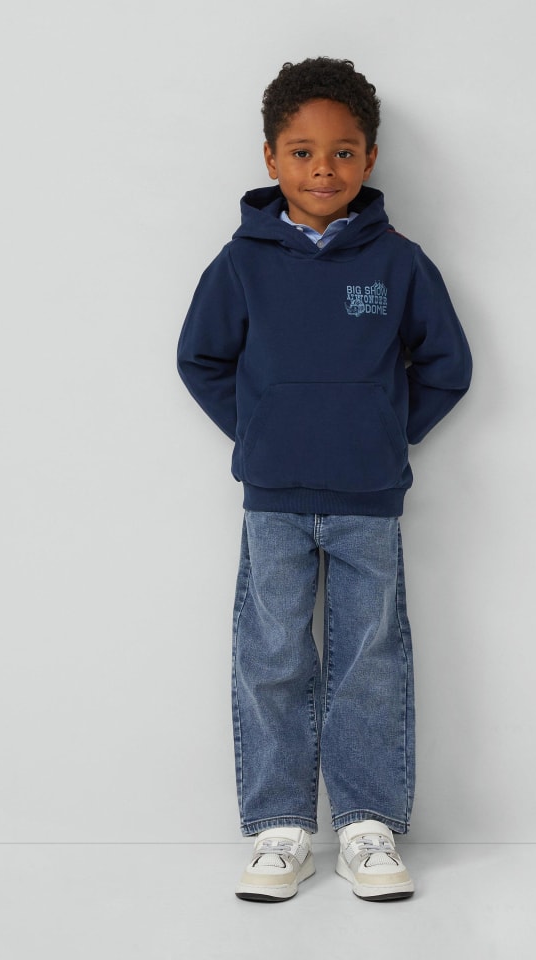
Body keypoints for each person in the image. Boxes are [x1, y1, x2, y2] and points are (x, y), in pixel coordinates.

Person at [177, 57, 472, 902]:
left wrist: (381, 433)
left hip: (368, 501)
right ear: (271, 158)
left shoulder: (398, 264)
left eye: (343, 152)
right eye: (303, 152)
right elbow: (200, 359)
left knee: (369, 658)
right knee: (272, 656)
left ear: (369, 159)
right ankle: (280, 829)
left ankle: (366, 827)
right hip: (272, 500)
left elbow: (448, 366)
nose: (323, 169)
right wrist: (263, 431)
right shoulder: (241, 264)